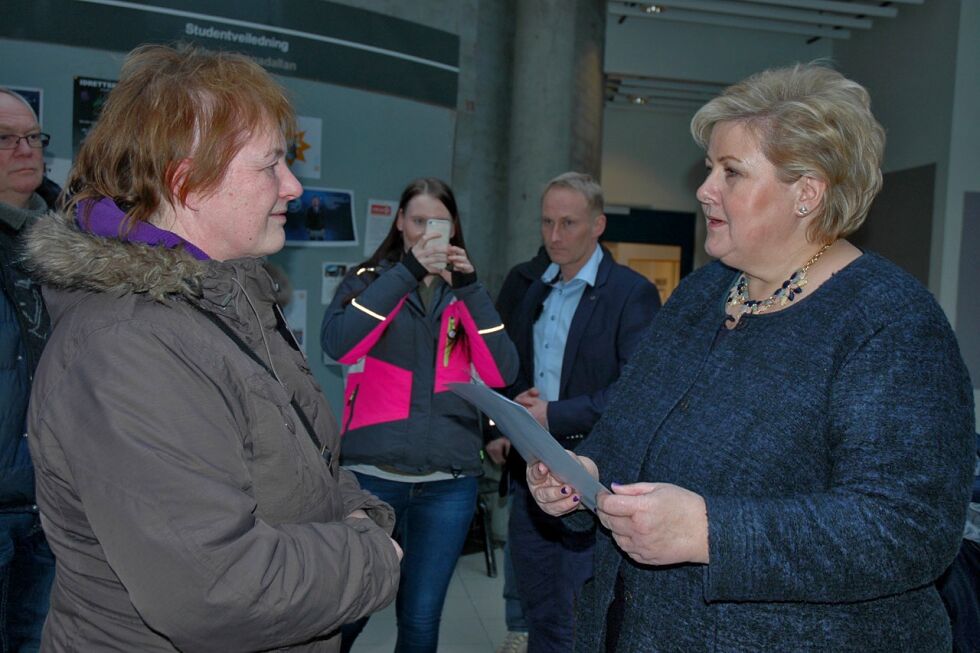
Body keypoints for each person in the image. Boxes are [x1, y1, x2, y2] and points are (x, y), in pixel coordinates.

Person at [527, 63, 976, 652]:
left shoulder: (889, 322)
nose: (705, 188)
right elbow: (626, 438)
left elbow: (909, 529)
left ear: (807, 193)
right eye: (711, 167)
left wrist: (713, 532)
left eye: (731, 171)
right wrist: (582, 480)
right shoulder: (700, 295)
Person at [23, 44, 401, 652]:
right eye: (270, 165)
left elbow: (290, 464)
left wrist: (356, 512)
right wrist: (372, 553)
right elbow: (217, 589)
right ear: (187, 183)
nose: (294, 186)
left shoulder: (230, 297)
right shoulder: (129, 346)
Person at [321, 177, 518, 652]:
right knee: (349, 613)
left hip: (448, 481)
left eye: (438, 222)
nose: (426, 231)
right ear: (400, 222)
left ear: (453, 228)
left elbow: (502, 370)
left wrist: (470, 290)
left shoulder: (466, 292)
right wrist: (405, 273)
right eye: (417, 220)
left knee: (421, 619)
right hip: (371, 475)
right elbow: (340, 344)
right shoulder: (367, 281)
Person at [487, 172, 660, 653]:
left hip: (592, 474)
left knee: (576, 616)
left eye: (568, 223)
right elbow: (515, 362)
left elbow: (636, 393)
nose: (555, 236)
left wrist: (552, 414)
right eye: (546, 222)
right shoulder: (533, 286)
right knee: (537, 609)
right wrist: (516, 408)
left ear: (598, 224)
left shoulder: (631, 293)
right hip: (532, 471)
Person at [0, 87, 57, 652]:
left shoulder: (76, 242)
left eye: (34, 138)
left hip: (52, 503)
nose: (25, 150)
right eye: (6, 139)